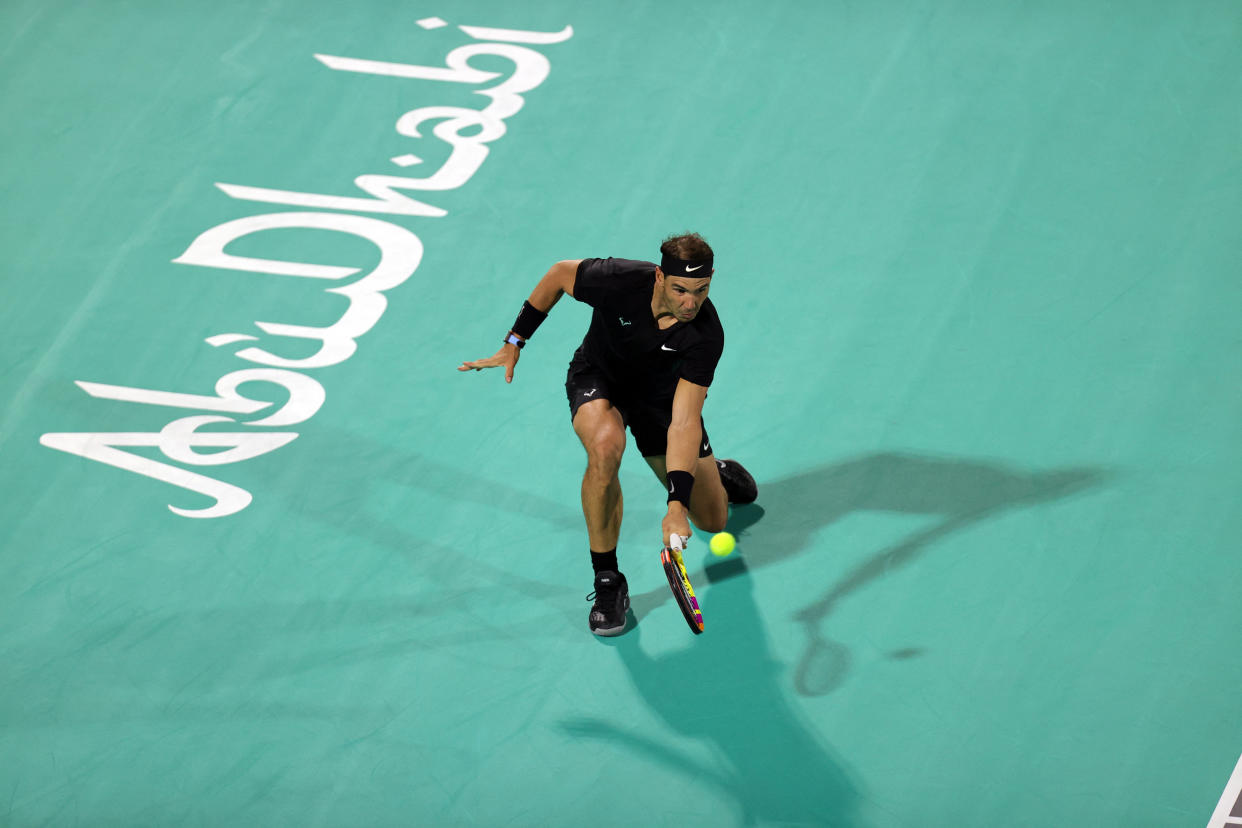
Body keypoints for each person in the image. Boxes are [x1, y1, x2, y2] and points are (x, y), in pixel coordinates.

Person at [458, 232, 757, 636]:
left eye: (701, 290)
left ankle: (713, 474)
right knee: (604, 449)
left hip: (661, 406)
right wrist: (515, 341)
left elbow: (684, 421)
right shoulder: (618, 279)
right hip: (600, 378)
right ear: (659, 278)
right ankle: (607, 581)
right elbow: (558, 275)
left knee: (713, 520)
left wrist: (675, 506)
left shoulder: (705, 335)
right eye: (680, 289)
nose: (690, 302)